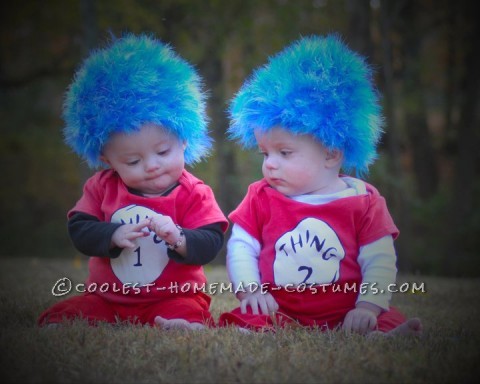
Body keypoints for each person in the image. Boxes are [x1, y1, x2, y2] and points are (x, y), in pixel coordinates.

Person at [218, 35, 422, 336]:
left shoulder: (363, 202)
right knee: (248, 320)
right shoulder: (261, 196)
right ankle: (260, 326)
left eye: (284, 153)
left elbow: (379, 258)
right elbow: (241, 246)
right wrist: (250, 292)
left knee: (383, 319)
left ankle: (381, 335)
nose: (270, 163)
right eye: (265, 153)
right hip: (278, 308)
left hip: (348, 310)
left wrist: (368, 306)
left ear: (331, 153)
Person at [38, 34, 228, 330]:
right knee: (78, 310)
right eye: (132, 161)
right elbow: (79, 229)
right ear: (106, 159)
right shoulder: (101, 188)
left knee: (186, 310)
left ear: (184, 139)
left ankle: (181, 323)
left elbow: (211, 241)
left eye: (163, 151)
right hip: (107, 298)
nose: (152, 165)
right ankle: (72, 321)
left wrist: (179, 237)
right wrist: (112, 234)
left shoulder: (194, 193)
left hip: (174, 296)